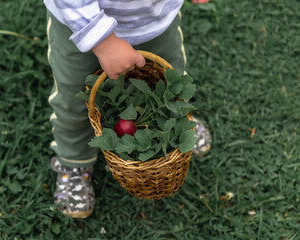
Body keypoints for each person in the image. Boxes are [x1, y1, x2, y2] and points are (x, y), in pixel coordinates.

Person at [43, 0, 211, 219]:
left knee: (169, 82)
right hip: (80, 26)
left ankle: (177, 129)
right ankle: (73, 161)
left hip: (156, 21)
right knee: (75, 100)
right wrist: (102, 41)